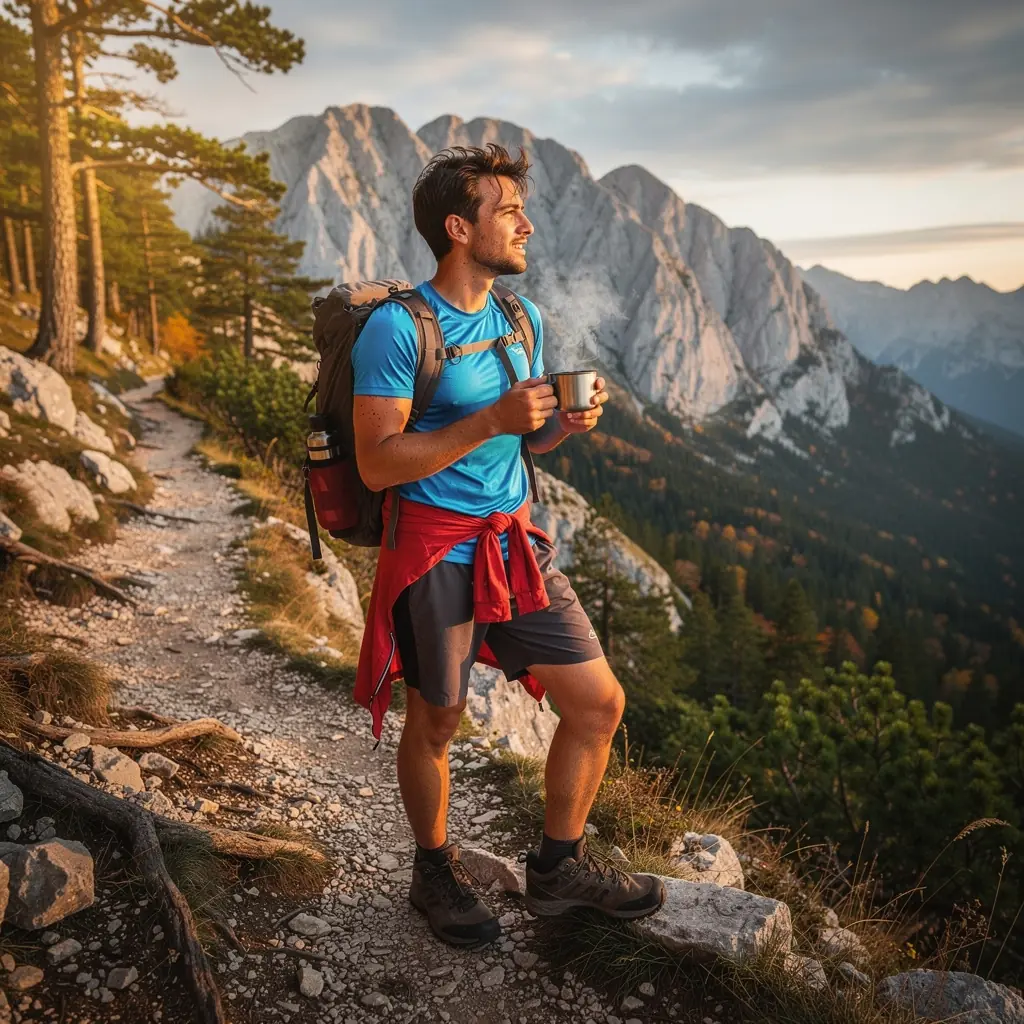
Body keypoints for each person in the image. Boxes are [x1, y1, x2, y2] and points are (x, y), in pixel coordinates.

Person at [351, 144, 665, 946]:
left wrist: (561, 426)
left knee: (598, 703)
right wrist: (491, 420)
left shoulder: (521, 319)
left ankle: (558, 870)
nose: (527, 224)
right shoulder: (397, 328)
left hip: (514, 543)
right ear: (459, 228)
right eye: (507, 211)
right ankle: (433, 872)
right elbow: (378, 462)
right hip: (433, 551)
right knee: (437, 720)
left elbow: (521, 446)